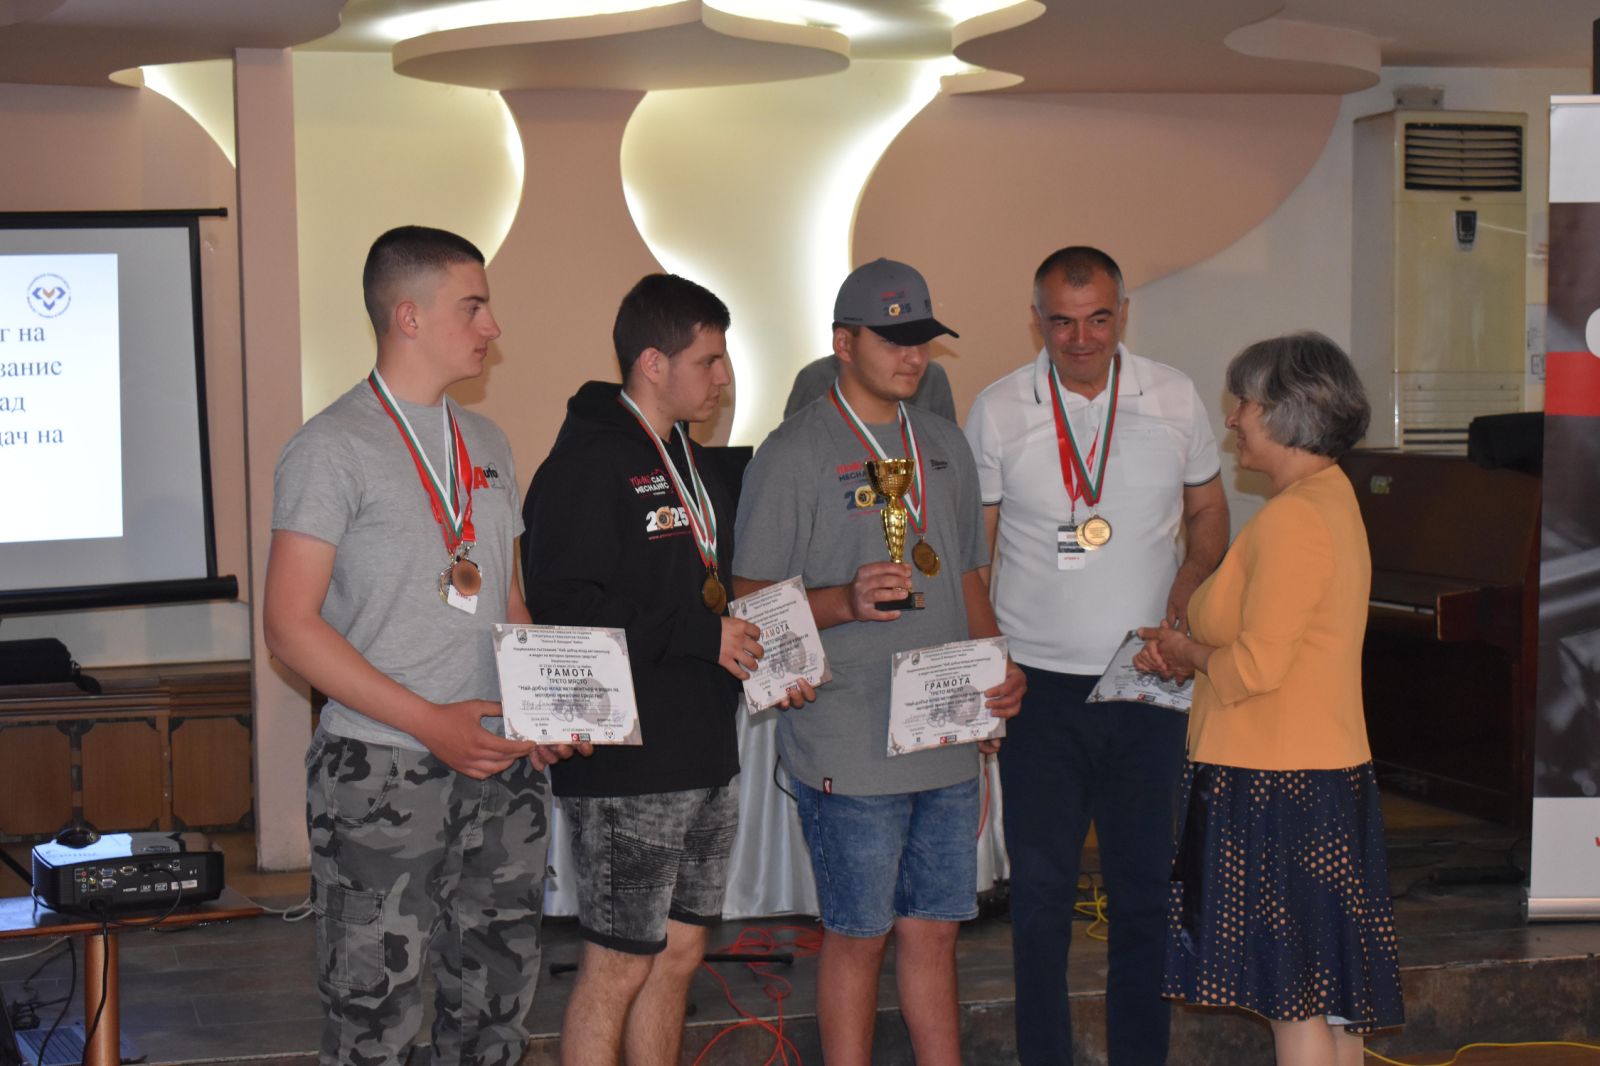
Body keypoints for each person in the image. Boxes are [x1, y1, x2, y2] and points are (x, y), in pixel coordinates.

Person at [265, 225, 574, 1066]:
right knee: (377, 1017)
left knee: (494, 1004)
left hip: (501, 765)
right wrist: (431, 722)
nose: (492, 326)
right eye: (473, 307)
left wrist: (543, 707)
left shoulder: (488, 443)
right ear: (408, 316)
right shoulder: (330, 448)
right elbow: (289, 624)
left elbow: (508, 599)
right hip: (381, 771)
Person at [732, 257, 1025, 1066]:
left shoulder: (944, 444)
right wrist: (842, 601)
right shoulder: (793, 452)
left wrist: (995, 672)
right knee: (858, 937)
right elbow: (750, 600)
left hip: (946, 731)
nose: (913, 355)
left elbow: (966, 576)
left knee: (935, 933)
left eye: (922, 339)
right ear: (843, 343)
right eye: (893, 339)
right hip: (849, 738)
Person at [963, 245, 1228, 1065]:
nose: (1081, 339)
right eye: (1063, 322)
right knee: (1040, 900)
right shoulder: (999, 408)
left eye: (1098, 319)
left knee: (1144, 895)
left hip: (1146, 685)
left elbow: (1209, 512)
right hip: (1038, 692)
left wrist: (1186, 590)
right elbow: (975, 554)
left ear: (1123, 316)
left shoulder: (1173, 396)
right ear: (1036, 321)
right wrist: (989, 660)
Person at [1135, 332, 1403, 1066]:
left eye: (1244, 403)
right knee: (1329, 1000)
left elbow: (1255, 666)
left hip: (1276, 785)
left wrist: (1186, 653)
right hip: (1312, 776)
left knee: (1296, 1001)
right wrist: (1192, 653)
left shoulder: (1294, 518)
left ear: (1287, 411)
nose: (1233, 419)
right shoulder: (1327, 497)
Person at [522, 273, 761, 1066]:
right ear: (653, 363)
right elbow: (565, 604)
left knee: (681, 956)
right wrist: (697, 633)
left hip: (705, 747)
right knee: (618, 963)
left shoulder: (693, 460)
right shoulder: (587, 463)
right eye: (708, 361)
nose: (723, 378)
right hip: (627, 762)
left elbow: (708, 591)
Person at [784, 352, 956, 421]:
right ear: (843, 342)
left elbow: (947, 459)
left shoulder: (932, 376)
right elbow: (792, 461)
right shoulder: (815, 379)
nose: (915, 358)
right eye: (889, 340)